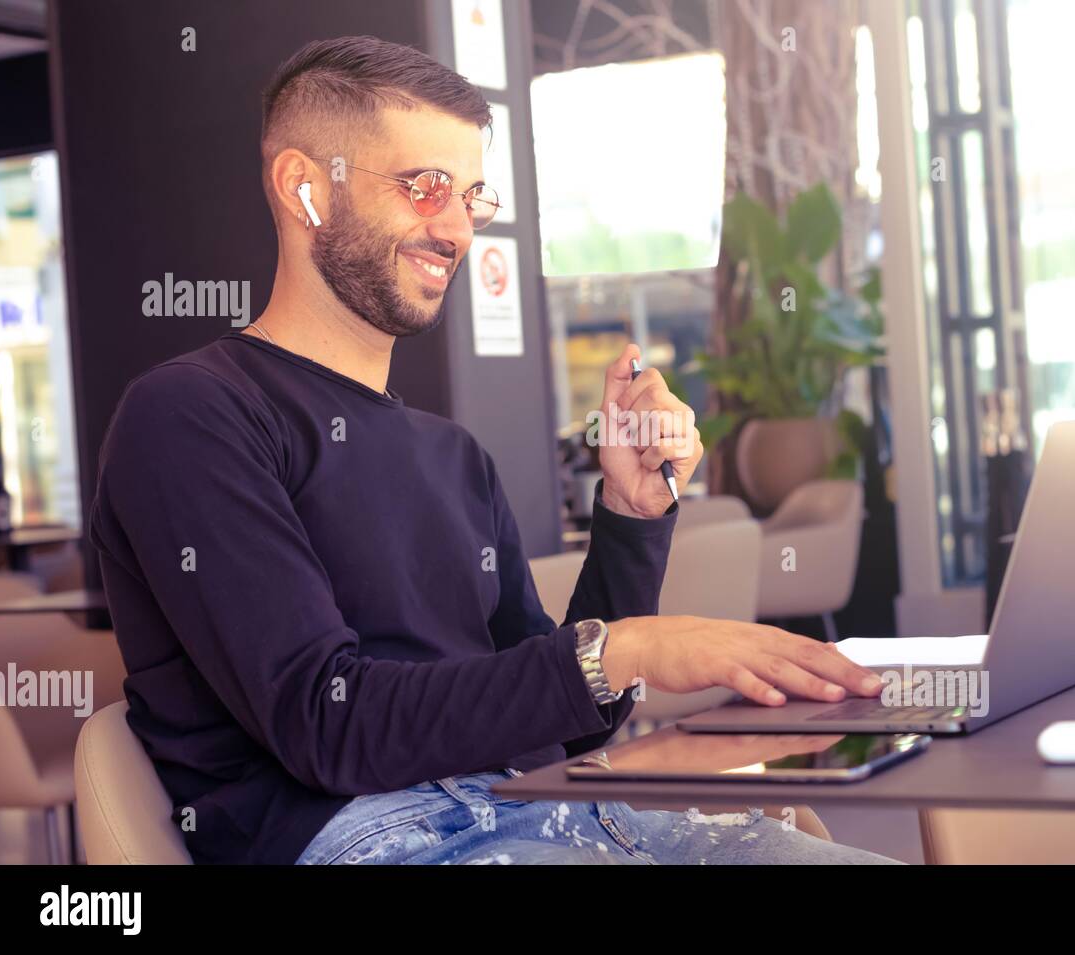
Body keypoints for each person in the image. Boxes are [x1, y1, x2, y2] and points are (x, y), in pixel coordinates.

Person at [90, 35, 896, 865]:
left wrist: (630, 515)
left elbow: (567, 709)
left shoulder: (455, 456)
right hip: (385, 840)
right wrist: (631, 649)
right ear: (306, 189)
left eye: (471, 196)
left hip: (558, 810)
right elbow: (326, 725)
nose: (456, 229)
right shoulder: (190, 416)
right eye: (423, 187)